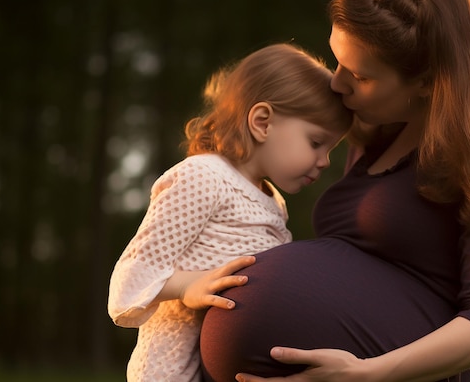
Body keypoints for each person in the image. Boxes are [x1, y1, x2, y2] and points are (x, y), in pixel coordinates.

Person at [199, 0, 470, 382]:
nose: (336, 83)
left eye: (359, 74)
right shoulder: (379, 131)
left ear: (430, 80)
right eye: (337, 60)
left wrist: (369, 373)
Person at [107, 43, 353, 382]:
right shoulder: (202, 176)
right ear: (262, 122)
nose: (324, 161)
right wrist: (187, 286)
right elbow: (130, 277)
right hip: (172, 370)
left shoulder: (274, 202)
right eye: (316, 142)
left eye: (331, 149)